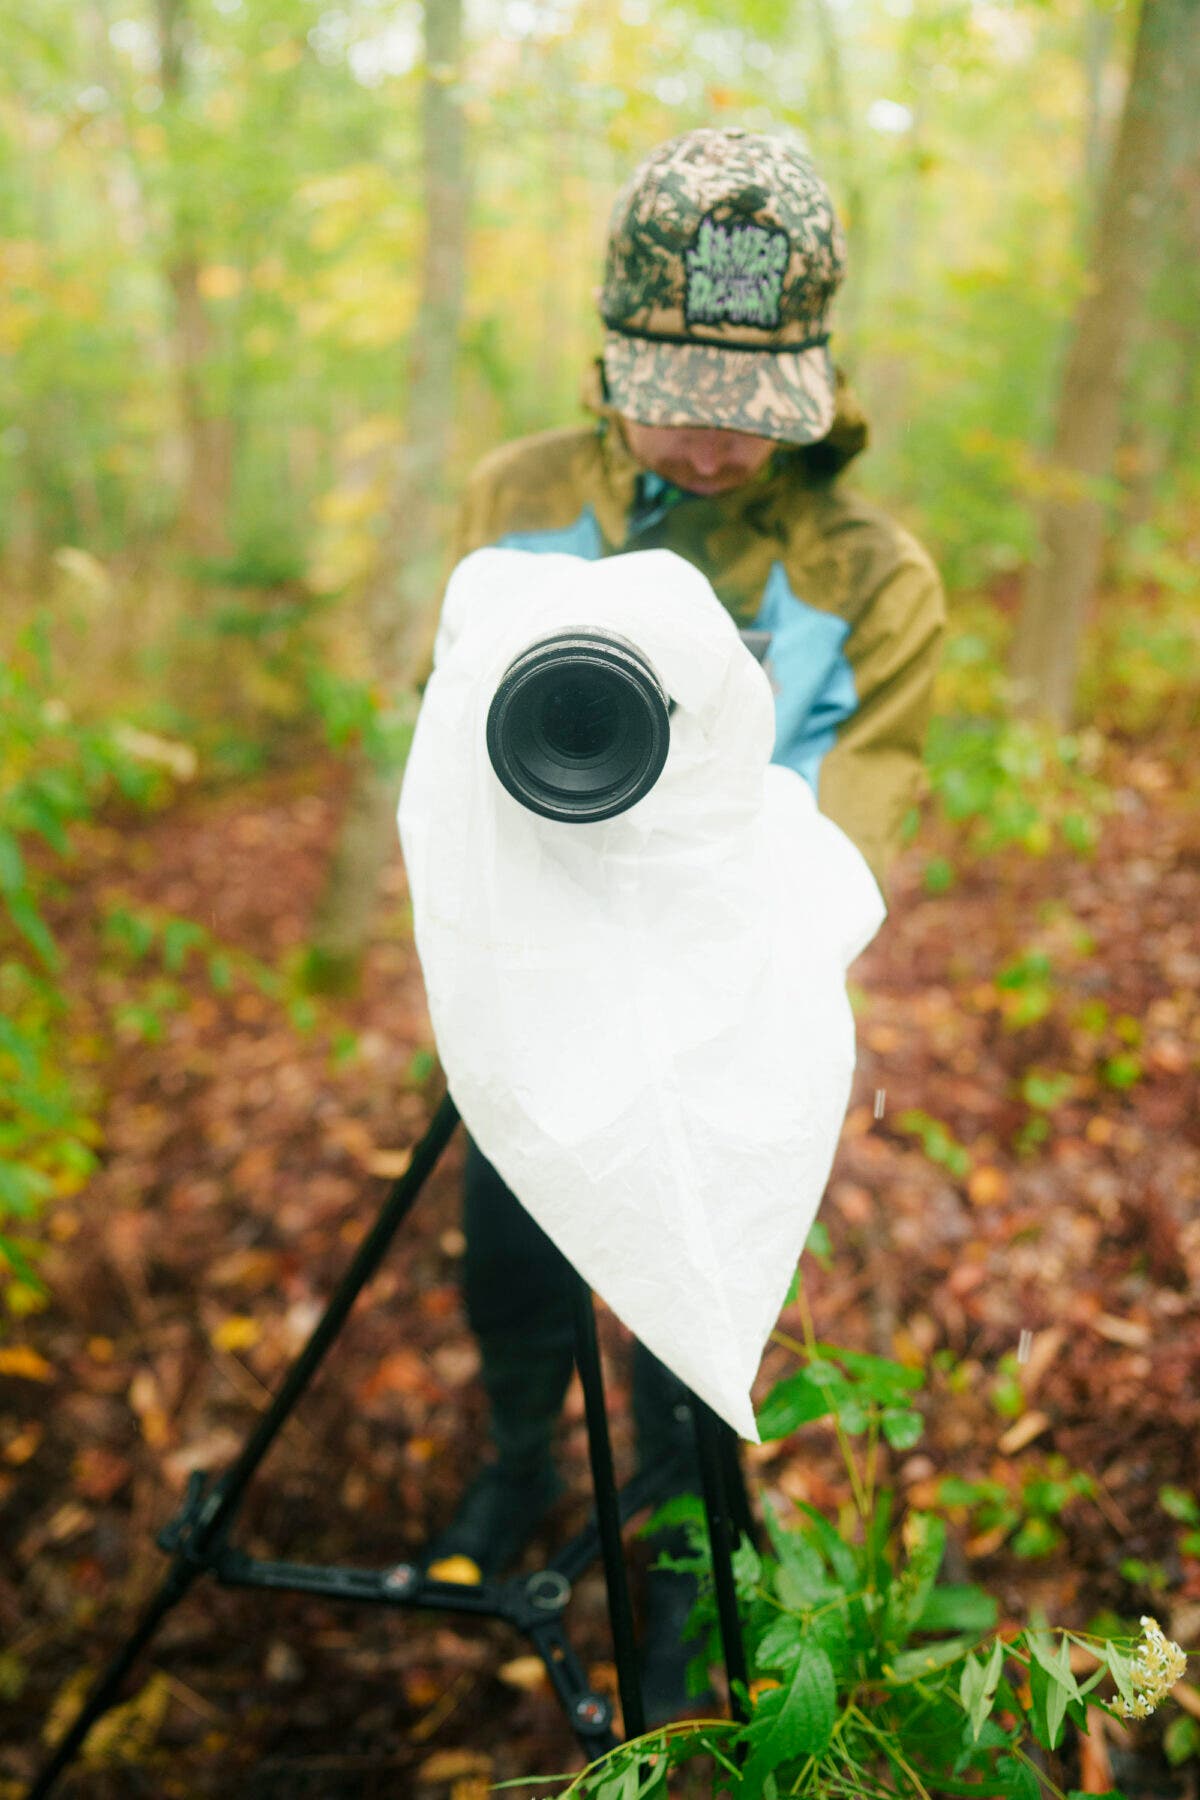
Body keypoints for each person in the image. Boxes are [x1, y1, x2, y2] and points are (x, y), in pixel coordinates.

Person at [421, 125, 945, 1719]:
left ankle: (682, 1568)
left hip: (733, 1001)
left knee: (687, 1304)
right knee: (507, 1252)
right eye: (682, 404)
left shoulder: (866, 571)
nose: (716, 449)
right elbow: (454, 737)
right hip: (531, 967)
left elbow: (862, 820)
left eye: (751, 414)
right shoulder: (516, 500)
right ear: (607, 360)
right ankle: (521, 1464)